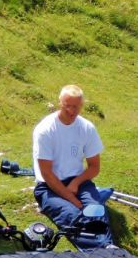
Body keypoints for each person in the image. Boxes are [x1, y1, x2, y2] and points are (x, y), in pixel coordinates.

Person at [32, 85, 114, 249]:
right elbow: (46, 173)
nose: (71, 110)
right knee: (72, 214)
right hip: (48, 186)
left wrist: (76, 183)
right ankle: (102, 247)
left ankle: (107, 247)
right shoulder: (45, 129)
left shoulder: (86, 128)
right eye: (67, 105)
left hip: (79, 181)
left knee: (96, 210)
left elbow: (94, 167)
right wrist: (72, 198)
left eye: (75, 106)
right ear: (60, 103)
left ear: (81, 105)